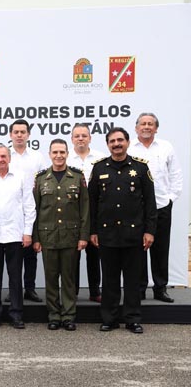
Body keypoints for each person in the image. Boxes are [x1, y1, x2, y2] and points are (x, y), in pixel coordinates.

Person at [89, 127, 157, 334]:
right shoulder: (99, 168)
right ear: (107, 145)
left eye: (120, 140)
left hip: (134, 234)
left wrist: (150, 231)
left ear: (127, 142)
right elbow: (92, 203)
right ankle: (109, 319)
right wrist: (93, 231)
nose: (116, 144)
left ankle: (132, 319)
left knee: (132, 280)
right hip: (107, 234)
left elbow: (150, 203)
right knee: (109, 279)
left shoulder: (140, 167)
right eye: (112, 141)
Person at [33, 139, 89, 331]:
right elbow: (35, 210)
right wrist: (36, 238)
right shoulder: (41, 178)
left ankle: (68, 315)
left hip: (70, 236)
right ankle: (54, 315)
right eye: (55, 152)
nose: (59, 156)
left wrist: (83, 236)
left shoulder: (77, 176)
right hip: (47, 236)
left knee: (68, 278)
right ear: (50, 154)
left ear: (67, 154)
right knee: (50, 278)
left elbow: (84, 209)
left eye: (62, 152)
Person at [128, 113, 182, 303]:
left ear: (156, 128)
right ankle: (140, 288)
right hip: (136, 208)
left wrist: (170, 198)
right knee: (137, 250)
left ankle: (160, 288)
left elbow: (175, 174)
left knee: (160, 249)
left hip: (161, 205)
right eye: (143, 123)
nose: (146, 127)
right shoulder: (129, 147)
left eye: (150, 124)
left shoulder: (166, 147)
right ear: (136, 128)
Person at [0, 144, 35, 330]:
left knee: (15, 278)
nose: (0, 159)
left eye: (3, 156)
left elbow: (29, 205)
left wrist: (27, 232)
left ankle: (16, 314)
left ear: (9, 158)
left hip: (15, 235)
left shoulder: (21, 177)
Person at [9, 119, 47, 303]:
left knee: (31, 252)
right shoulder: (5, 155)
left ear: (28, 135)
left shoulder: (37, 157)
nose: (19, 135)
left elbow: (43, 182)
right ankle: (13, 290)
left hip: (32, 207)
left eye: (22, 132)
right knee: (13, 254)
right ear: (10, 135)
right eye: (16, 132)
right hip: (10, 209)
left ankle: (30, 289)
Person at [68, 123, 106, 303]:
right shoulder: (66, 158)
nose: (81, 139)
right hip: (72, 213)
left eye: (84, 135)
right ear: (72, 139)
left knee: (94, 253)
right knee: (72, 255)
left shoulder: (101, 158)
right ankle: (73, 291)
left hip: (95, 212)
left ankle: (95, 291)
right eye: (77, 136)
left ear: (90, 138)